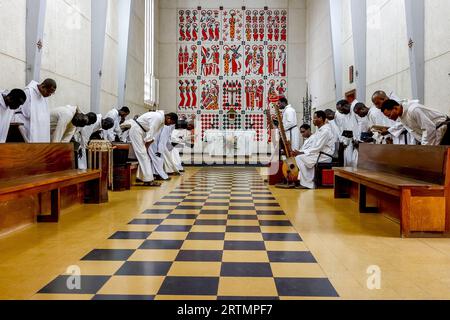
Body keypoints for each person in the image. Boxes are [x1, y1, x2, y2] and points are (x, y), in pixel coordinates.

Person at [122, 111, 178, 187]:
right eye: (171, 123)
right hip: (136, 130)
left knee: (144, 156)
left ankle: (144, 178)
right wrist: (146, 147)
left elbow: (153, 137)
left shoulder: (161, 121)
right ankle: (148, 180)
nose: (169, 125)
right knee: (143, 155)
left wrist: (147, 147)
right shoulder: (158, 118)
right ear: (168, 118)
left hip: (140, 131)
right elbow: (150, 134)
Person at [291, 111, 336, 189]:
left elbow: (318, 147)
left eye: (315, 118)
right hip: (318, 154)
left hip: (325, 156)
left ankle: (308, 183)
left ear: (321, 118)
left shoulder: (325, 131)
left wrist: (302, 152)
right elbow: (314, 146)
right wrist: (302, 152)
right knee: (301, 157)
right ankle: (306, 181)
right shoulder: (319, 131)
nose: (313, 120)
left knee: (300, 158)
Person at [381, 99, 450, 146]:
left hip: (444, 129)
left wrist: (425, 146)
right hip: (433, 133)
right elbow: (414, 131)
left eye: (389, 115)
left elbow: (429, 128)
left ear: (395, 108)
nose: (390, 118)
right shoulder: (401, 116)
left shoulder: (413, 110)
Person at [334, 100, 359, 167]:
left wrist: (357, 138)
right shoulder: (343, 114)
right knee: (349, 161)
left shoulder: (355, 110)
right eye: (339, 111)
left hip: (359, 140)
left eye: (341, 110)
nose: (341, 112)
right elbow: (342, 128)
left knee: (356, 161)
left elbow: (359, 126)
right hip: (349, 140)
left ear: (347, 105)